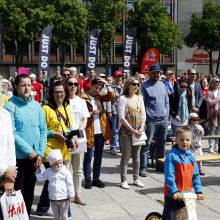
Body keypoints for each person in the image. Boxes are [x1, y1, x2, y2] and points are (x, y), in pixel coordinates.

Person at [4, 74, 47, 216]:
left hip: (35, 157)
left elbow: (43, 129)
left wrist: (40, 152)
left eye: (29, 85)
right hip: (18, 158)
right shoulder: (10, 106)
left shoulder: (36, 105)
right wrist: (29, 151)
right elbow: (12, 133)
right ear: (16, 86)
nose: (27, 88)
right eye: (23, 85)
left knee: (30, 191)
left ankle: (26, 216)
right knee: (17, 192)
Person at [35, 80, 73, 217]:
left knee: (53, 178)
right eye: (56, 92)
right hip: (50, 150)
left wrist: (72, 139)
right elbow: (42, 129)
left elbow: (68, 127)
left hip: (63, 150)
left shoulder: (66, 106)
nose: (59, 94)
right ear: (51, 93)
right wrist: (55, 134)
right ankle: (61, 212)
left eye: (62, 91)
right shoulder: (45, 108)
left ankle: (43, 206)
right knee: (54, 177)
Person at [162, 127, 204, 220]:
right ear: (176, 140)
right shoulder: (172, 156)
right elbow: (169, 176)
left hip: (186, 194)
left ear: (191, 141)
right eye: (182, 139)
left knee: (185, 216)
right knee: (169, 216)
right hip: (172, 194)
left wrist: (198, 191)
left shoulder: (191, 157)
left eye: (187, 140)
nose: (185, 142)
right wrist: (175, 191)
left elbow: (196, 176)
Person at [81, 77, 115, 189]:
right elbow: (81, 115)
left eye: (100, 88)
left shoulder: (99, 97)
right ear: (91, 85)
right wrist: (91, 113)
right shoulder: (83, 98)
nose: (97, 90)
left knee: (99, 156)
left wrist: (106, 83)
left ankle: (96, 178)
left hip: (100, 130)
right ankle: (87, 179)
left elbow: (111, 96)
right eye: (96, 87)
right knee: (88, 156)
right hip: (89, 130)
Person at [140, 64, 169, 176]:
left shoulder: (162, 85)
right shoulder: (144, 86)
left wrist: (166, 113)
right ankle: (143, 167)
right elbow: (142, 104)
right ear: (149, 73)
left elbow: (166, 101)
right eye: (154, 73)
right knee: (146, 144)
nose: (156, 75)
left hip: (163, 120)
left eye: (158, 73)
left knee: (161, 144)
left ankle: (159, 165)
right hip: (150, 120)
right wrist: (145, 119)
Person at [65, 76, 90, 205]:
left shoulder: (81, 101)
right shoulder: (63, 101)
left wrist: (77, 134)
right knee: (67, 168)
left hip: (79, 138)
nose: (73, 86)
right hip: (67, 138)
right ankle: (68, 194)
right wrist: (70, 136)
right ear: (66, 85)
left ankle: (77, 194)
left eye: (75, 84)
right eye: (70, 83)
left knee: (78, 168)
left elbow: (85, 119)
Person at [118, 77, 146, 189]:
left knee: (137, 156)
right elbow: (121, 117)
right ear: (128, 85)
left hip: (138, 131)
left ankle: (136, 179)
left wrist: (142, 128)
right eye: (133, 84)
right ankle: (123, 180)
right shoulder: (123, 99)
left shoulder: (140, 98)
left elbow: (144, 115)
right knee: (126, 155)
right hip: (126, 131)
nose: (136, 86)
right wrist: (132, 130)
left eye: (137, 84)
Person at [36, 149, 74, 220]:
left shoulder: (66, 172)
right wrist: (38, 171)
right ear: (51, 164)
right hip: (53, 199)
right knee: (56, 217)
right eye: (56, 164)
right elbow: (41, 178)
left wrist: (71, 195)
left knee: (64, 216)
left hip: (64, 198)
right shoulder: (48, 171)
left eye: (61, 163)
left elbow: (70, 184)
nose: (59, 165)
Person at [0, 90, 17, 219]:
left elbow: (10, 145)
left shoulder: (4, 114)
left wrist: (10, 176)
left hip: (4, 176)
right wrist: (4, 169)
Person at [109, 70, 123, 155]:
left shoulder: (124, 86)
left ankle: (121, 146)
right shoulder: (111, 87)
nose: (119, 78)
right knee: (114, 130)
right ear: (114, 78)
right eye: (117, 76)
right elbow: (108, 100)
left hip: (122, 110)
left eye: (120, 76)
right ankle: (113, 146)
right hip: (114, 110)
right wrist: (109, 110)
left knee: (122, 129)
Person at [205, 77, 220, 154]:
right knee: (212, 131)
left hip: (219, 114)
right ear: (212, 82)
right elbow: (210, 103)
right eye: (216, 81)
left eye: (219, 81)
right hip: (212, 114)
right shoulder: (209, 92)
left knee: (218, 131)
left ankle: (216, 146)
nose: (218, 83)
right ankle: (211, 147)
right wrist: (218, 98)